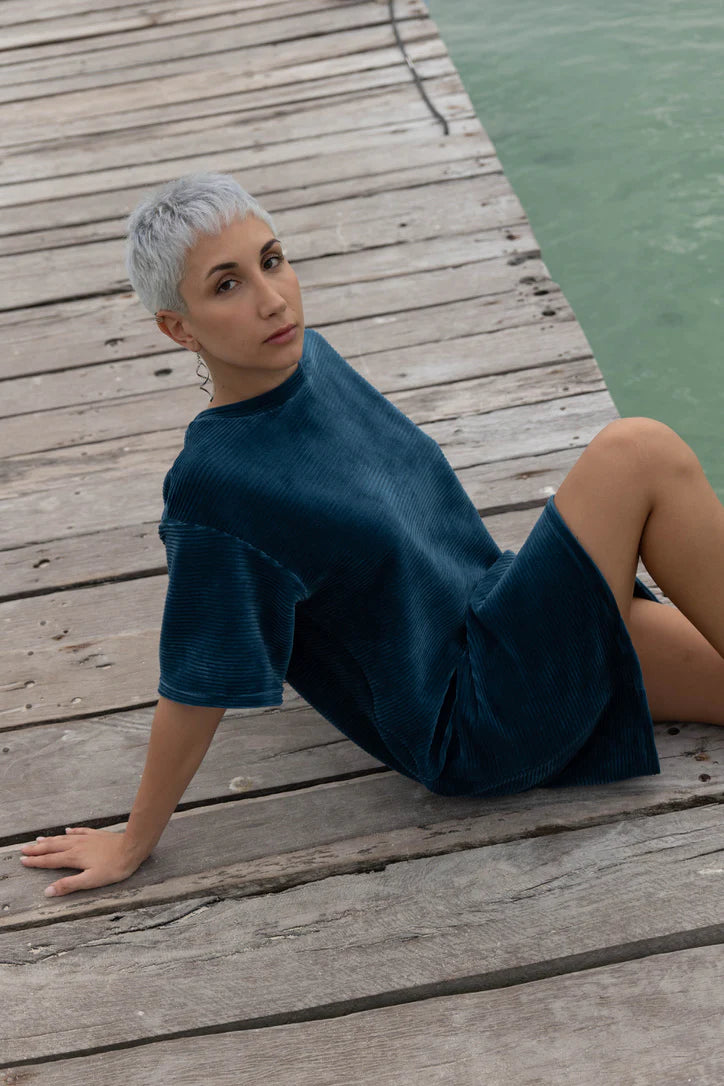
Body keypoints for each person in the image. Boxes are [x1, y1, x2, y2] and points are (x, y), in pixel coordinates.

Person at [20, 172, 724, 899]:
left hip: (508, 618)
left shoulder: (315, 362)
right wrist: (134, 842)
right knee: (637, 451)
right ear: (179, 327)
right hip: (471, 719)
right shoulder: (215, 486)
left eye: (271, 259)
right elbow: (197, 680)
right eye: (225, 286)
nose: (271, 298)